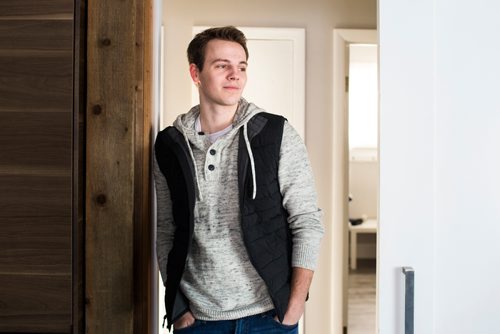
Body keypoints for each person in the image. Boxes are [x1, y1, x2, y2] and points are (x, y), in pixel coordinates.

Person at [154, 26, 324, 333]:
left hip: (269, 317)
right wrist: (179, 309)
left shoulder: (276, 134)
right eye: (222, 66)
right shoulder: (170, 144)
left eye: (241, 66)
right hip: (199, 319)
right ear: (196, 73)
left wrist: (294, 305)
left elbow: (307, 220)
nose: (235, 75)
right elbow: (166, 228)